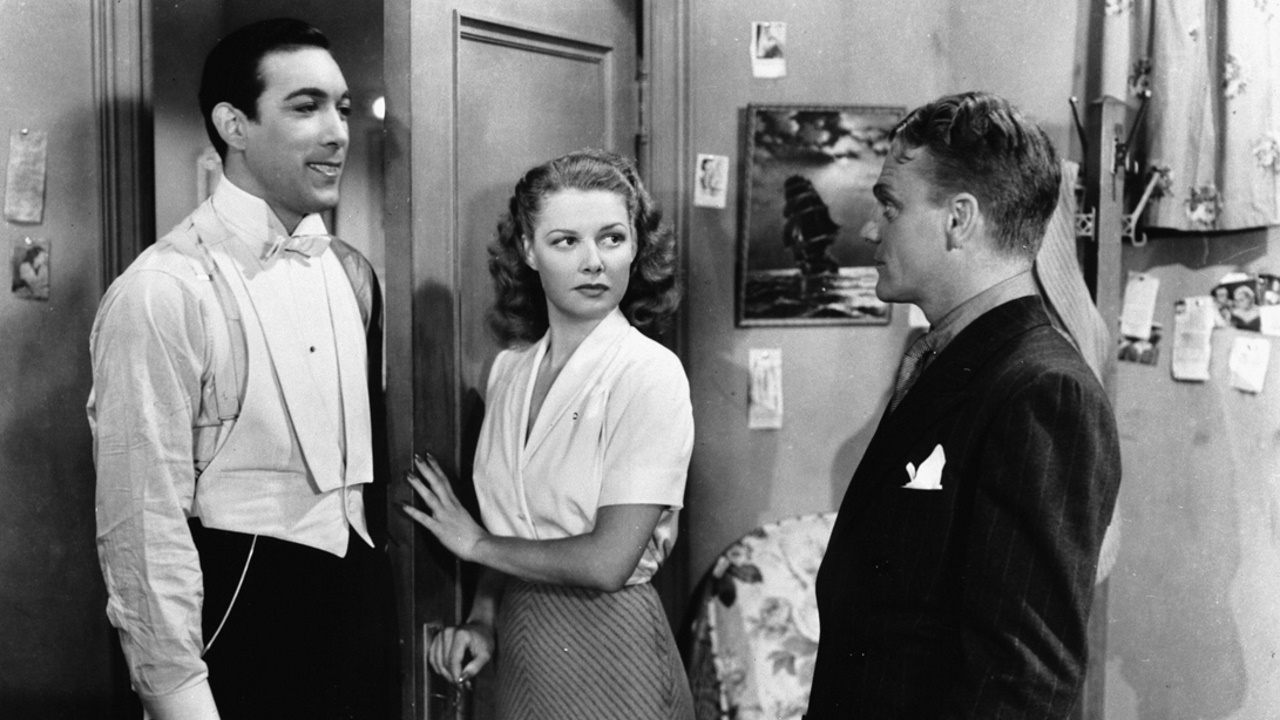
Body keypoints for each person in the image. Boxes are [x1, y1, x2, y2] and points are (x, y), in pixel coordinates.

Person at [87, 18, 392, 720]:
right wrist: (176, 696)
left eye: (343, 108)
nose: (338, 132)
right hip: (241, 622)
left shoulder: (351, 275)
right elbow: (142, 524)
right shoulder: (162, 290)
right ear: (234, 125)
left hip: (357, 619)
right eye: (306, 106)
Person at [805, 92, 1122, 719]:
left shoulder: (1042, 391)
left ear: (959, 219)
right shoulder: (949, 359)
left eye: (890, 206)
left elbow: (1023, 684)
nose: (870, 229)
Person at [402, 149, 695, 719]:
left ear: (635, 247)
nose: (594, 262)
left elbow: (608, 561)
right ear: (529, 251)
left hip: (616, 649)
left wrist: (476, 544)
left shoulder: (650, 373)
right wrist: (482, 618)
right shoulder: (509, 371)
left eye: (612, 238)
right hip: (522, 647)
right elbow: (520, 525)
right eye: (566, 241)